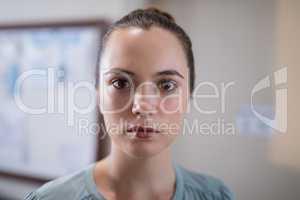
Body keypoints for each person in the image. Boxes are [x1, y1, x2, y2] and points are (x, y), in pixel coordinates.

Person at [25, 7, 234, 200]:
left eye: (167, 85)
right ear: (98, 93)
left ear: (189, 95)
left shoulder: (216, 195)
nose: (143, 106)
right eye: (120, 82)